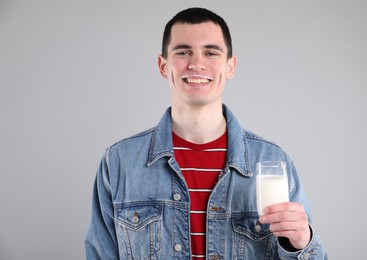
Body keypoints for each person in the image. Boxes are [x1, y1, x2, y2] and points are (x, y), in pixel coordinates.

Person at [85, 7, 327, 259]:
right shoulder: (119, 162)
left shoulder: (272, 161)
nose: (196, 63)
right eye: (183, 52)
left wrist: (302, 242)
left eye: (211, 52)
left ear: (230, 67)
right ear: (162, 65)